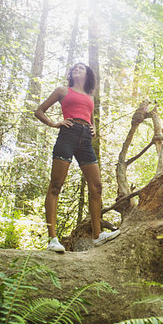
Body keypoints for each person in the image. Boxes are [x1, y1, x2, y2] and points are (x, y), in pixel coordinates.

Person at [35, 63, 119, 252]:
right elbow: (39, 111)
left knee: (96, 186)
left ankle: (97, 236)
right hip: (68, 135)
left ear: (87, 74)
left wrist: (93, 128)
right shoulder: (62, 91)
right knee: (56, 185)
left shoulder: (90, 96)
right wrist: (54, 123)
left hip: (85, 140)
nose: (76, 69)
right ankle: (53, 240)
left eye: (81, 68)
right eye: (74, 68)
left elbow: (88, 116)